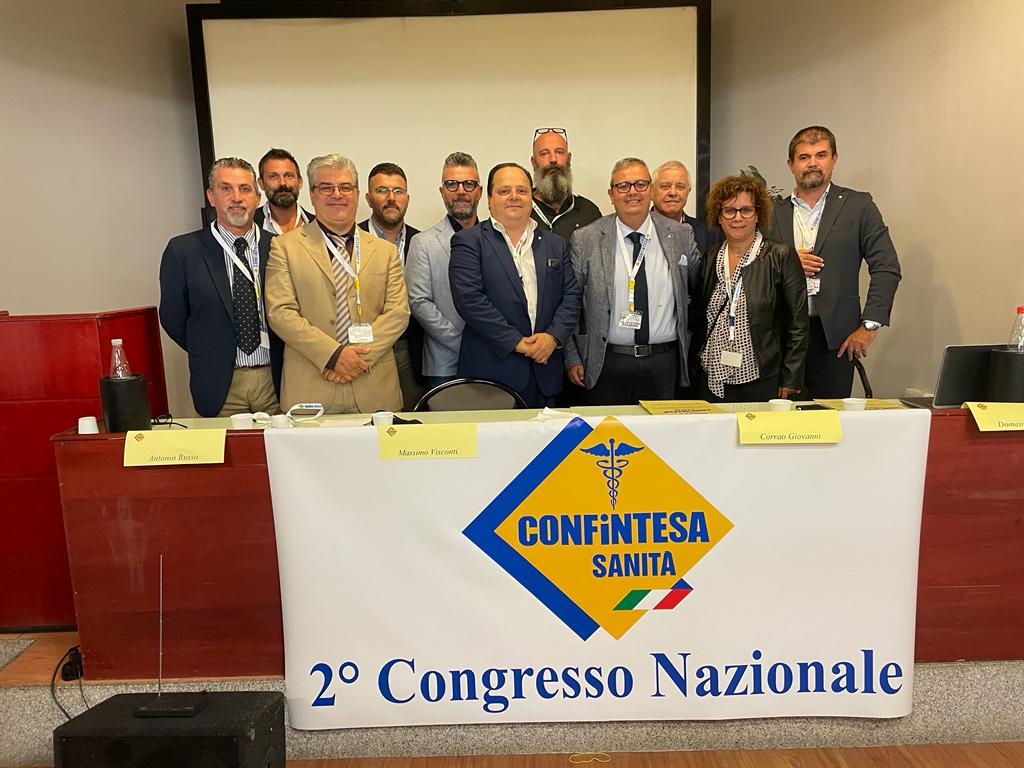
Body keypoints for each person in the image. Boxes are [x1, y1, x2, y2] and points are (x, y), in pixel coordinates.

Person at [265, 154, 409, 414]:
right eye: (326, 187)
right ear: (312, 194)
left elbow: (398, 313)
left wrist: (354, 359)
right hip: (311, 388)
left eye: (345, 187)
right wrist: (333, 356)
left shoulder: (385, 251)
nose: (337, 195)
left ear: (357, 194)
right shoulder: (284, 247)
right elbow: (281, 313)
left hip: (373, 386)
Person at [768, 126, 901, 398]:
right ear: (791, 165)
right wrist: (787, 263)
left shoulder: (858, 206)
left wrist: (870, 326)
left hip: (835, 338)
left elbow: (886, 267)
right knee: (780, 417)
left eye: (821, 155)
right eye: (804, 157)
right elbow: (751, 267)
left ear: (834, 159)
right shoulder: (771, 212)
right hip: (780, 335)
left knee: (829, 417)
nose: (812, 163)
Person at [565, 158, 701, 405]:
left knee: (659, 430)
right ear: (611, 194)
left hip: (663, 363)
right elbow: (570, 304)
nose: (633, 192)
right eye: (623, 186)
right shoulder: (586, 239)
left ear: (651, 190)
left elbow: (698, 289)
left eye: (640, 184)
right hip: (606, 362)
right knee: (608, 430)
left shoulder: (680, 235)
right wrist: (572, 356)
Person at [449, 163, 581, 407]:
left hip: (545, 371)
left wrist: (552, 337)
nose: (514, 197)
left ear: (532, 197)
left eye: (522, 190)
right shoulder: (468, 242)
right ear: (489, 199)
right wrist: (517, 343)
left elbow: (571, 296)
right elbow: (470, 300)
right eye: (504, 191)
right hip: (490, 378)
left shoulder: (555, 244)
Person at [159, 157, 282, 417]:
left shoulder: (280, 247)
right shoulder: (184, 251)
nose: (236, 198)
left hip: (278, 381)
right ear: (211, 196)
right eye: (226, 188)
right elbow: (172, 318)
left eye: (245, 189)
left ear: (257, 197)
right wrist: (210, 347)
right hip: (220, 385)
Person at [699, 175, 808, 402]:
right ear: (719, 216)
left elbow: (798, 323)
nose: (738, 217)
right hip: (713, 372)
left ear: (758, 214)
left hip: (762, 376)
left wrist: (791, 377)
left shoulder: (780, 256)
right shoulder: (711, 256)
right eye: (729, 211)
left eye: (746, 210)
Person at [406, 152, 482, 390]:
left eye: (468, 184)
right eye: (452, 184)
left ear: (479, 191)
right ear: (442, 191)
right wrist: (463, 343)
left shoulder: (497, 240)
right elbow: (419, 302)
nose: (461, 191)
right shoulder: (423, 242)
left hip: (493, 360)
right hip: (444, 364)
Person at [357, 162, 425, 406]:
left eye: (398, 191)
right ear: (368, 198)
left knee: (412, 417)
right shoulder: (350, 239)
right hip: (365, 347)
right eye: (382, 191)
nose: (391, 198)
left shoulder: (422, 241)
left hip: (410, 348)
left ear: (407, 198)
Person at [529, 128, 601, 241]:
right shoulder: (520, 211)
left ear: (569, 159)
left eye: (559, 152)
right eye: (544, 153)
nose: (553, 159)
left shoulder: (589, 212)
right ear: (534, 163)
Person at [651, 160, 722, 257]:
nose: (673, 193)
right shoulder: (640, 229)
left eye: (680, 187)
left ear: (688, 191)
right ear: (651, 192)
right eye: (665, 186)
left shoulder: (709, 235)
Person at [253, 148, 313, 234]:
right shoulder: (249, 224)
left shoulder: (319, 225)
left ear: (300, 182)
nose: (282, 183)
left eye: (289, 176)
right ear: (261, 183)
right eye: (273, 176)